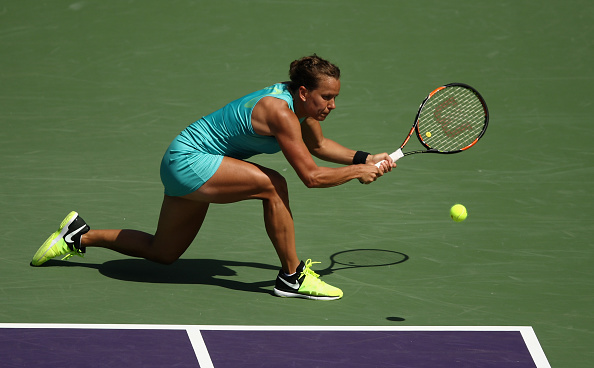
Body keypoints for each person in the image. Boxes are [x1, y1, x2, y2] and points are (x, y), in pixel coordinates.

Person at [31, 54, 396, 300]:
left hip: (191, 162)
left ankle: (78, 235)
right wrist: (357, 173)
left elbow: (318, 147)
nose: (332, 105)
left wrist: (366, 157)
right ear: (304, 92)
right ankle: (292, 277)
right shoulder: (281, 112)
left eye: (334, 98)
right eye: (327, 98)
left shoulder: (303, 110)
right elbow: (312, 177)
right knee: (275, 185)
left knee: (164, 252)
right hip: (190, 160)